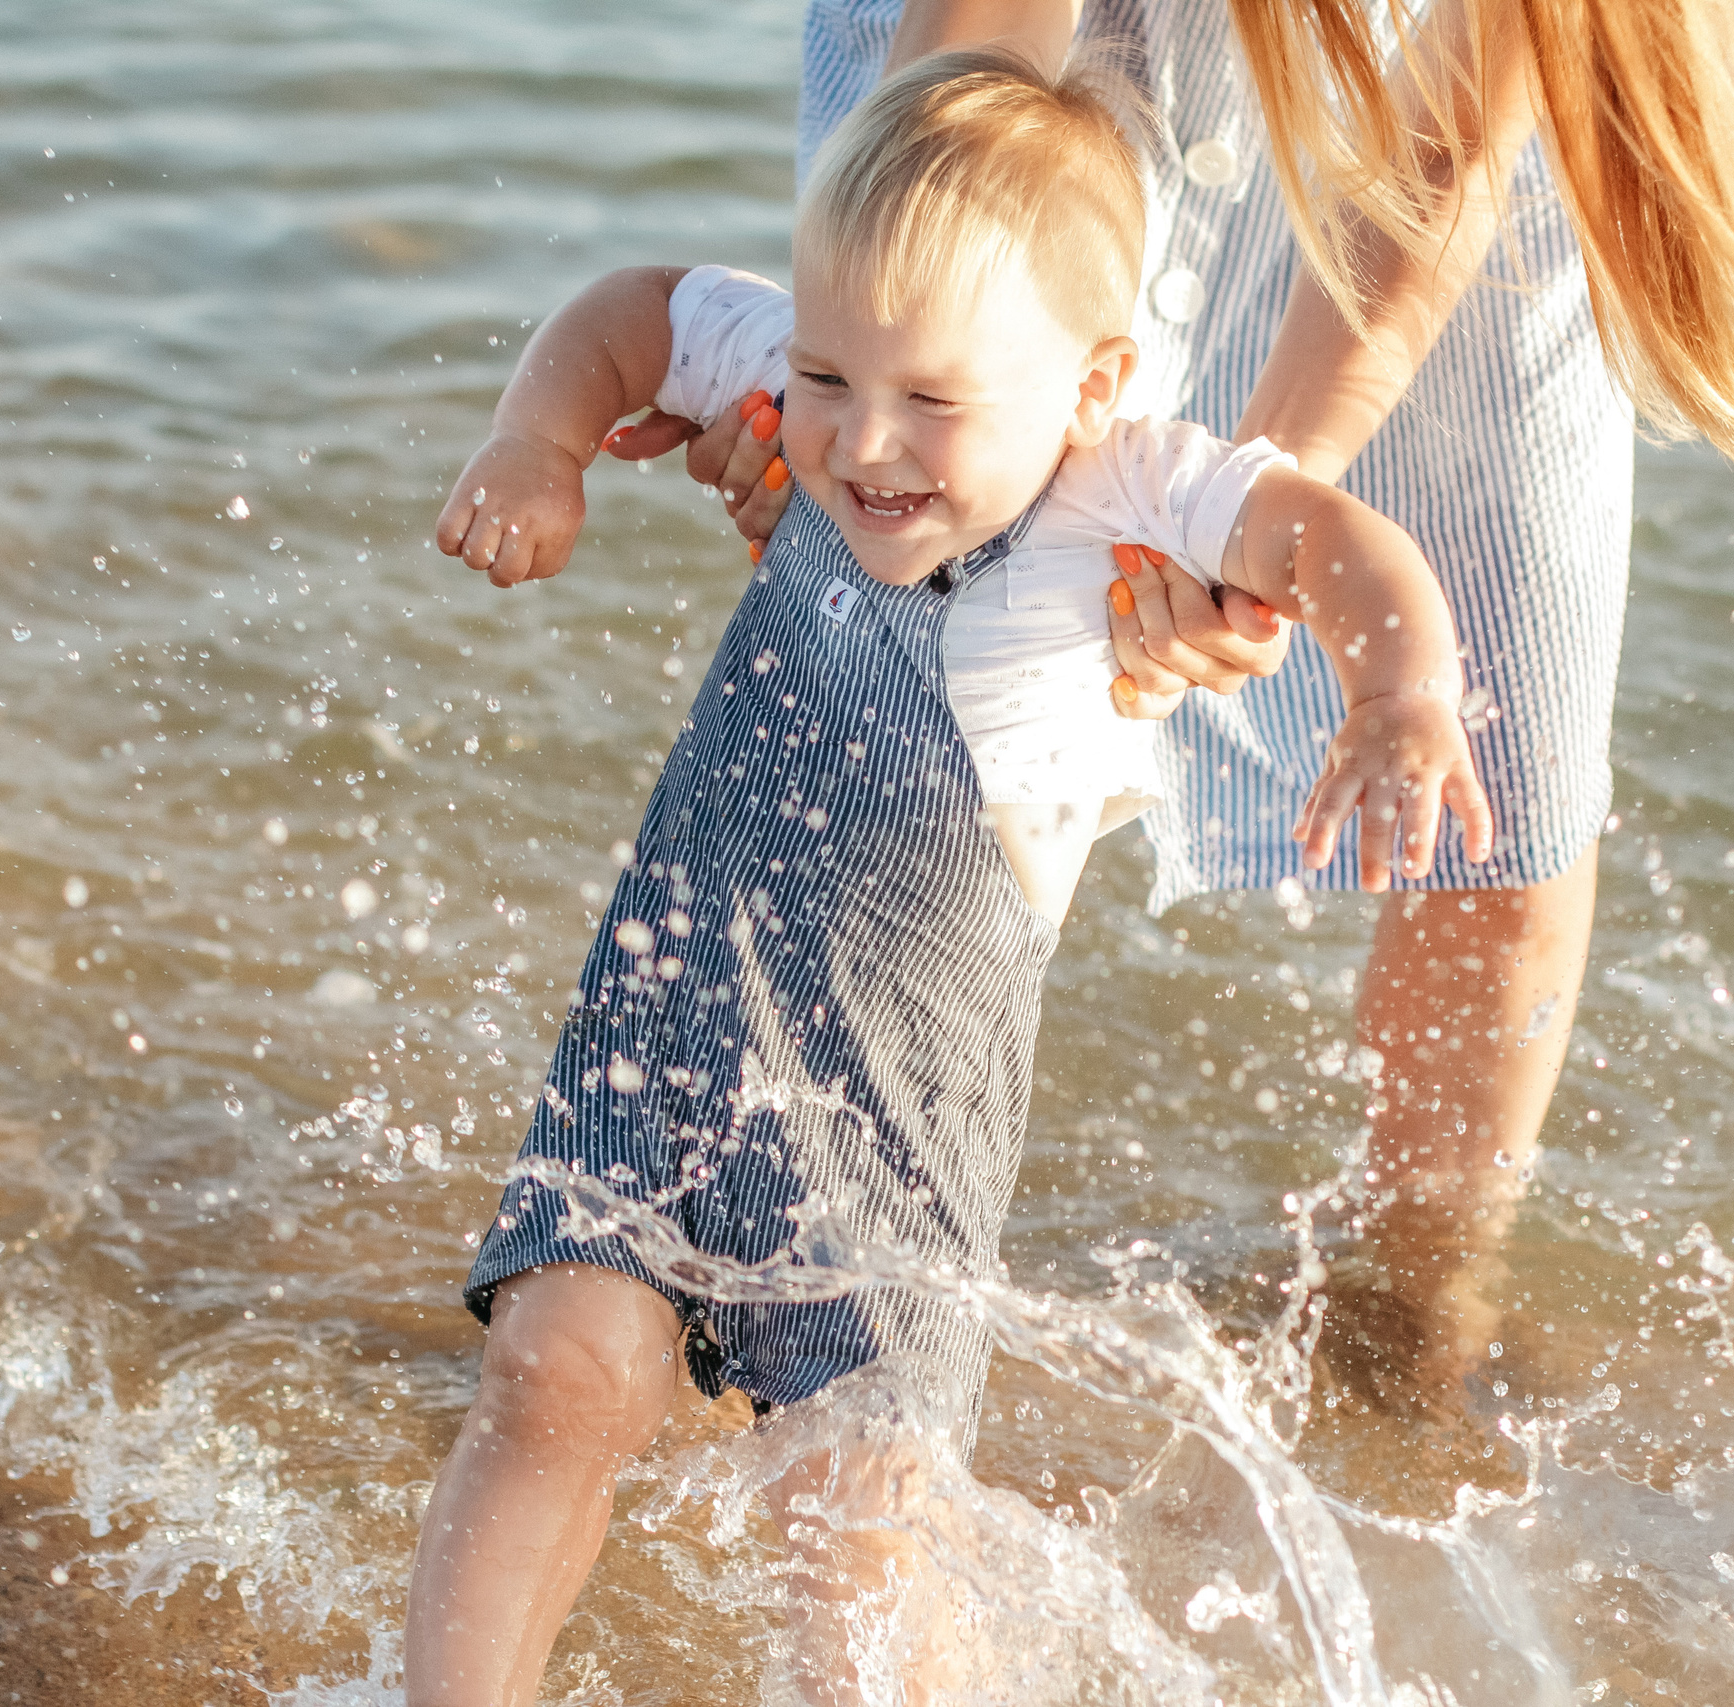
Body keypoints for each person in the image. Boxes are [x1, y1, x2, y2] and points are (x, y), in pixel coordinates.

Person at [645, 0, 1734, 1400]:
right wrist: (869, 398)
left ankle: (1417, 1299)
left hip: (1439, 118)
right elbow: (978, 56)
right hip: (1017, 86)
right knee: (914, 643)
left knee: (1504, 746)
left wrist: (1258, 507)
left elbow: (1439, 151)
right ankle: (751, 1211)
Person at [407, 48, 1496, 1704]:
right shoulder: (814, 368)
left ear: (1091, 381)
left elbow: (1332, 545)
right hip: (666, 1019)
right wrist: (535, 439)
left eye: (932, 403)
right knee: (554, 1378)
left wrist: (1403, 689)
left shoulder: (1127, 487)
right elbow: (632, 310)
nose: (857, 442)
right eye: (830, 377)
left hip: (897, 1130)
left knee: (852, 1524)